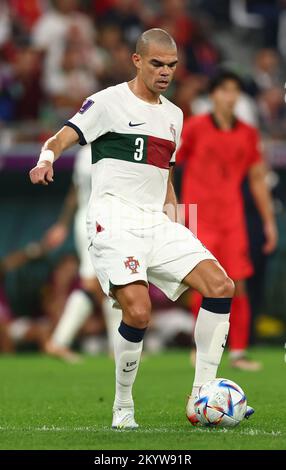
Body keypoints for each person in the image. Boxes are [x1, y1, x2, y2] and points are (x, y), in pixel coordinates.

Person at [29, 29, 254, 429]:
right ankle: (123, 406)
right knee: (139, 310)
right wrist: (47, 158)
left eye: (171, 66)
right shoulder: (107, 101)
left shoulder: (174, 115)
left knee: (222, 286)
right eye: (156, 64)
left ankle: (201, 394)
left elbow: (164, 176)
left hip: (155, 221)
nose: (165, 72)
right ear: (137, 60)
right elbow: (61, 136)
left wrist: (179, 220)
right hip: (113, 219)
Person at [177, 70, 277, 370]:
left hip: (232, 218)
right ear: (213, 95)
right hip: (199, 216)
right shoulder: (194, 127)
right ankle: (201, 349)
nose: (229, 96)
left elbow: (257, 179)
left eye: (234, 90)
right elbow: (170, 165)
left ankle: (238, 353)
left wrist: (269, 221)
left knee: (238, 283)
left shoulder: (247, 133)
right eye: (223, 90)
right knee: (203, 283)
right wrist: (172, 209)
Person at [43, 145, 122, 361]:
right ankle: (60, 342)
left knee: (107, 283)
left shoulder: (84, 152)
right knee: (97, 283)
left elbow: (74, 192)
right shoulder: (104, 149)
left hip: (93, 221)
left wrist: (62, 225)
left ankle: (116, 347)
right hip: (95, 223)